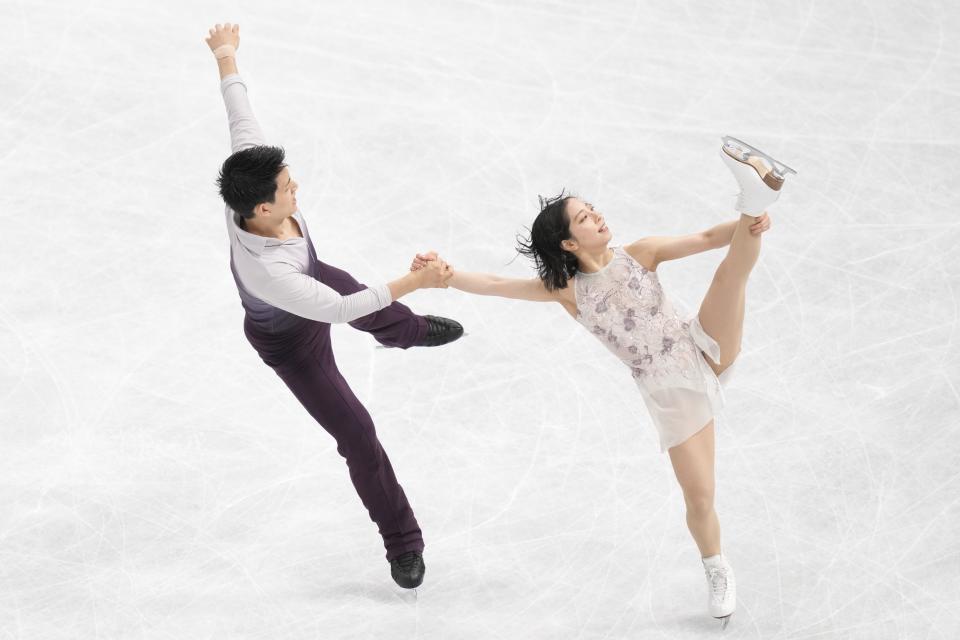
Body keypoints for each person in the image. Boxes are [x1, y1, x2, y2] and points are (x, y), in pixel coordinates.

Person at [412, 137, 795, 624]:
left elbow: (705, 239)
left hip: (701, 346)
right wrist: (445, 276)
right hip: (670, 393)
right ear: (569, 244)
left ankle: (756, 198)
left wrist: (750, 224)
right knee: (700, 497)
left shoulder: (642, 252)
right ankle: (716, 566)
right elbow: (494, 285)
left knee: (728, 278)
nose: (598, 217)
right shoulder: (567, 292)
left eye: (594, 209)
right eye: (585, 218)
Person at [205, 22, 462, 589]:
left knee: (372, 303)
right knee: (357, 433)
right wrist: (416, 280)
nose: (298, 190)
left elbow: (238, 113)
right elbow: (339, 312)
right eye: (289, 188)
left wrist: (226, 55)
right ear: (263, 211)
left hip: (311, 276)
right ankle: (403, 543)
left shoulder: (251, 181)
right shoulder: (268, 272)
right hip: (289, 341)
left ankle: (407, 331)